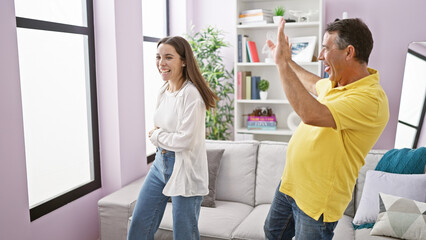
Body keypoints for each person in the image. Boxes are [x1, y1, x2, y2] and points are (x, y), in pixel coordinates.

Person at [263, 18, 389, 239]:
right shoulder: (338, 83)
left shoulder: (370, 99)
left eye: (325, 48)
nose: (320, 56)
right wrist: (288, 61)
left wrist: (281, 66)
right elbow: (313, 84)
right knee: (273, 232)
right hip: (292, 184)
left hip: (318, 199)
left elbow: (312, 114)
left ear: (349, 52)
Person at [127, 36, 218, 240]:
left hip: (185, 168)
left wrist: (158, 135)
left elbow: (183, 140)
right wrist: (163, 136)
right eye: (158, 57)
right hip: (160, 163)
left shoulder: (191, 95)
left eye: (168, 57)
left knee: (184, 234)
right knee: (139, 225)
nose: (161, 63)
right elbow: (168, 131)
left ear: (184, 61)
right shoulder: (164, 90)